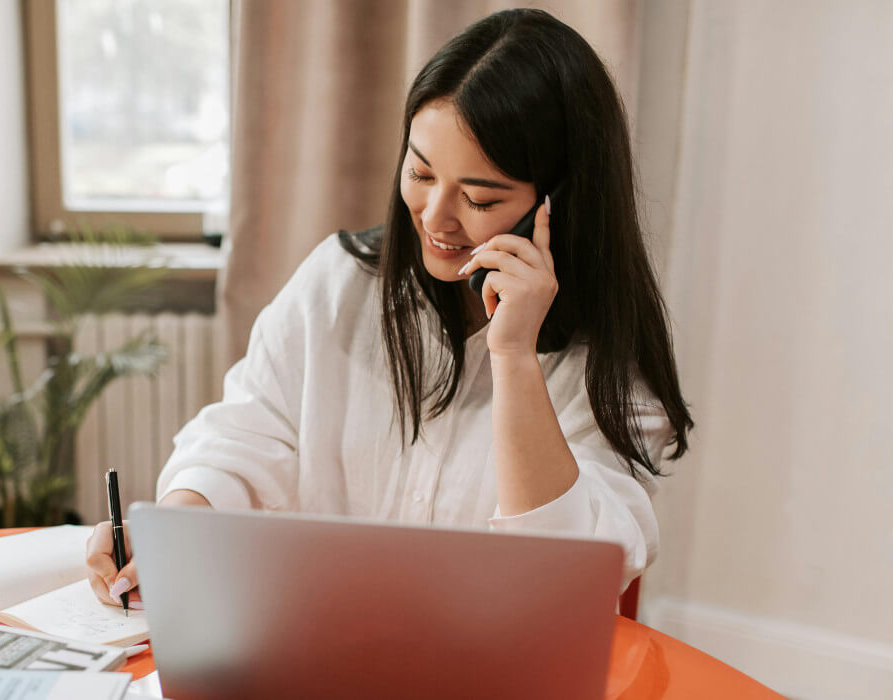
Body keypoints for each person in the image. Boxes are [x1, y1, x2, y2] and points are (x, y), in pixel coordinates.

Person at [86, 8, 693, 609]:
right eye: (421, 172)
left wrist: (514, 357)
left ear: (558, 205)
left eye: (479, 197)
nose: (433, 216)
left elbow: (564, 579)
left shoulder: (611, 363)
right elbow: (245, 435)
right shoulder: (340, 282)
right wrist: (175, 532)